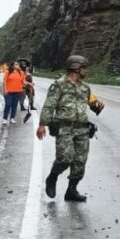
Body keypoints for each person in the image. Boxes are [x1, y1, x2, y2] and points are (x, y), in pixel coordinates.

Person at [37, 55, 105, 201]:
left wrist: (97, 107)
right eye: (84, 68)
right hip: (64, 128)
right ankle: (52, 177)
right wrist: (42, 124)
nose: (86, 71)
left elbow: (92, 106)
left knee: (80, 161)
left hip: (82, 129)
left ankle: (71, 190)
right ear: (76, 67)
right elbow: (50, 105)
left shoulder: (85, 88)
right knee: (65, 158)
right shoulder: (59, 85)